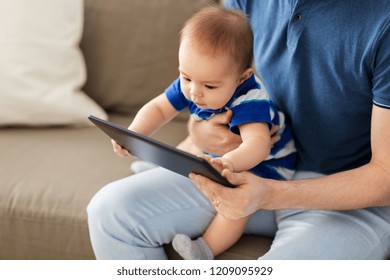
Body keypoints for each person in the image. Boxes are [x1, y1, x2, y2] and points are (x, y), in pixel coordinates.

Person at [87, 0, 390, 260]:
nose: (193, 90)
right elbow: (208, 80)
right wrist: (199, 133)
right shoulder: (234, 18)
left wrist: (262, 190)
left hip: (346, 196)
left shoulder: (383, 21)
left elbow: (385, 177)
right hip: (243, 171)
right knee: (109, 211)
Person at [110, 7, 296, 260]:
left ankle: (203, 249)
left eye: (209, 86)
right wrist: (133, 133)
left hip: (268, 166)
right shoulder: (195, 81)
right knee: (192, 147)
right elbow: (158, 108)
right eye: (185, 78)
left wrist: (228, 163)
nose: (195, 93)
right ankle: (162, 170)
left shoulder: (251, 99)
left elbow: (258, 144)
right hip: (220, 152)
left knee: (235, 205)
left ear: (242, 78)